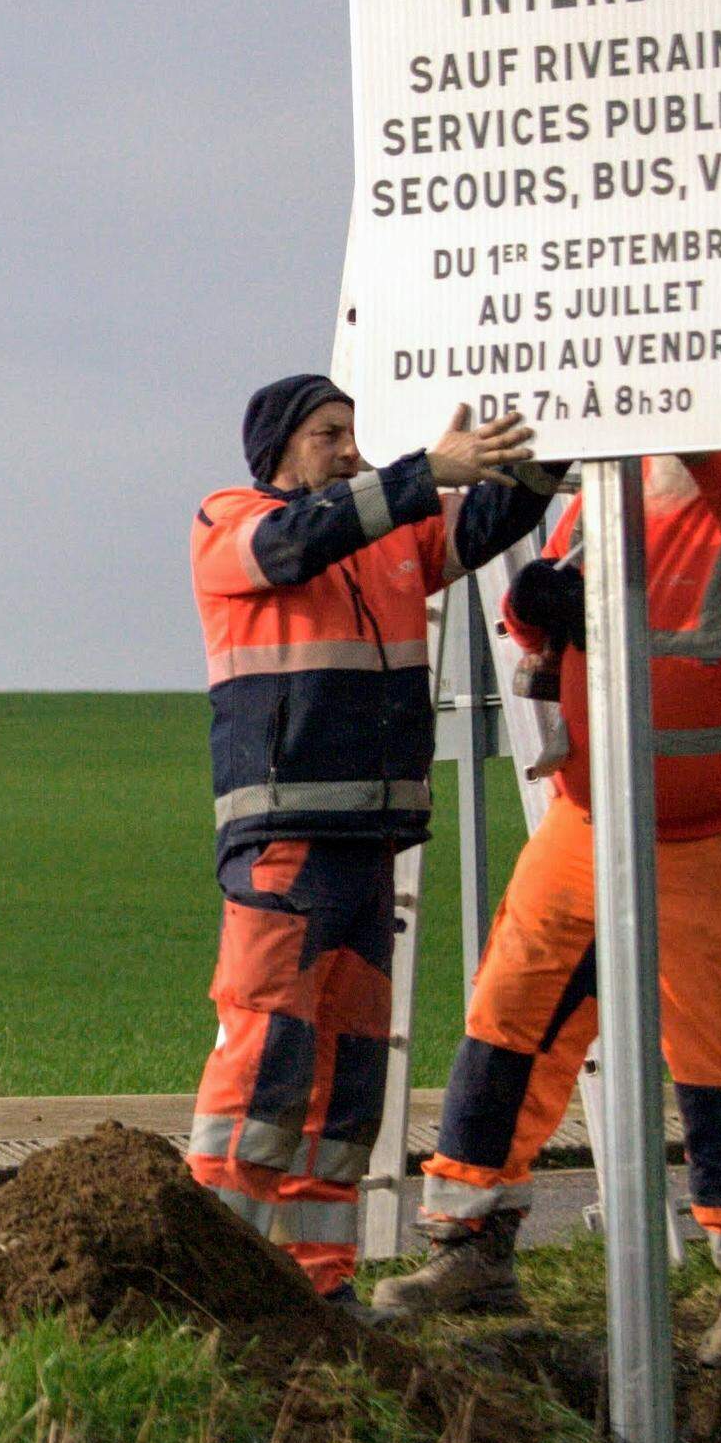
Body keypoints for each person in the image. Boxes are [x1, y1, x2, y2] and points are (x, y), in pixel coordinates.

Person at [369, 449, 721, 1373]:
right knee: (510, 1017)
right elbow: (550, 639)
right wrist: (529, 609)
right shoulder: (598, 505)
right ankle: (470, 1250)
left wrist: (700, 446)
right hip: (591, 821)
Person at [186, 374, 555, 1303]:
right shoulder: (231, 522)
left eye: (353, 434)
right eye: (328, 434)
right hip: (285, 839)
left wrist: (545, 457)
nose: (348, 449)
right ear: (276, 448)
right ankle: (208, 1280)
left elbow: (479, 526)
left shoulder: (384, 537)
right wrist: (426, 469)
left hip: (365, 844)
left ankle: (321, 1285)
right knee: (268, 1058)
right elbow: (295, 543)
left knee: (347, 1084)